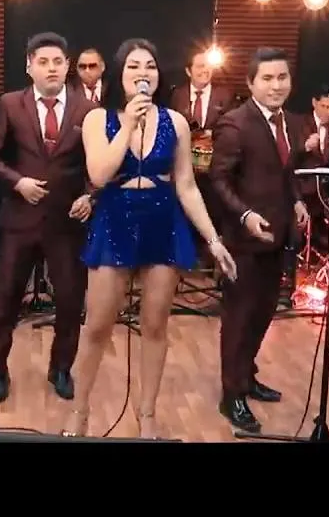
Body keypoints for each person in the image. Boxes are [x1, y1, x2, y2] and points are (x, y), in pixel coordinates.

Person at [64, 38, 237, 439]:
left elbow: (187, 186)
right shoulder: (98, 118)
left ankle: (147, 415)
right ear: (119, 74)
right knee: (97, 326)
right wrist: (127, 124)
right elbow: (99, 175)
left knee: (155, 324)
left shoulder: (176, 122)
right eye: (134, 66)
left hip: (163, 219)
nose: (143, 73)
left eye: (150, 67)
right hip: (115, 218)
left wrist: (213, 240)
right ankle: (80, 410)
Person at [0, 32, 97, 404]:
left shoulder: (87, 110)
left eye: (58, 62)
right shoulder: (9, 104)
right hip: (20, 220)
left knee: (70, 301)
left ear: (67, 66)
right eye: (43, 62)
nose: (51, 68)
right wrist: (18, 182)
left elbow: (99, 165)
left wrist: (91, 195)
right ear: (29, 66)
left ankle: (61, 368)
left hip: (67, 224)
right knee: (5, 299)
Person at [207, 47, 310, 433]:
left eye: (282, 77)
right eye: (267, 78)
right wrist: (245, 215)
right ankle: (231, 393)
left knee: (264, 313)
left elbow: (286, 172)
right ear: (251, 83)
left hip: (277, 236)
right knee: (239, 318)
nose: (276, 85)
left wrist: (297, 200)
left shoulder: (291, 123)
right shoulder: (235, 123)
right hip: (243, 241)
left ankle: (247, 376)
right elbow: (218, 180)